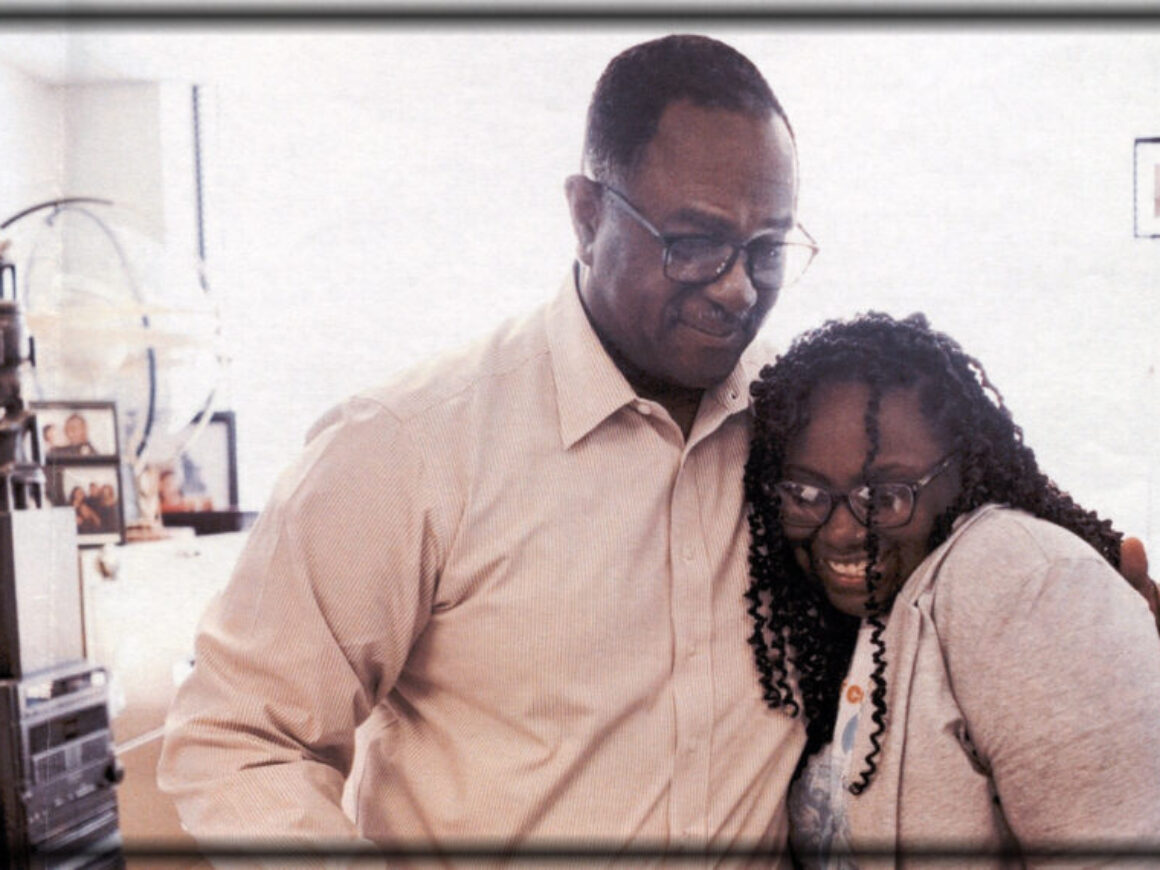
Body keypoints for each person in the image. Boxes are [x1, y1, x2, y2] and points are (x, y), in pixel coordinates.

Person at [158, 34, 1156, 866]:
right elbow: (238, 737)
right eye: (692, 241)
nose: (733, 287)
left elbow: (967, 494)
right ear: (585, 214)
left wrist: (1097, 579)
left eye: (767, 248)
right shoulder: (407, 446)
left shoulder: (798, 428)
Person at [743, 312, 1160, 867]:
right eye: (805, 493)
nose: (841, 531)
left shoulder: (1019, 576)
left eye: (884, 497)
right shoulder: (848, 624)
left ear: (961, 475)